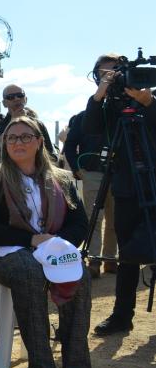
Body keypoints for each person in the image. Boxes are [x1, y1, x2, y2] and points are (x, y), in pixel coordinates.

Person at [0, 116, 91, 368]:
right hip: (4, 251)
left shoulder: (61, 178)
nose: (18, 142)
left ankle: (76, 365)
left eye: (26, 136)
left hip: (51, 247)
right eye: (12, 138)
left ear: (39, 141)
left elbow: (79, 223)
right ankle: (42, 366)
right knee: (29, 271)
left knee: (80, 273)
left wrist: (55, 243)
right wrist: (32, 239)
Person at [84, 54, 156, 335]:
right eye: (108, 75)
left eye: (118, 73)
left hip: (154, 181)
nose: (117, 79)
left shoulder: (147, 102)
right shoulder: (108, 108)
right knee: (127, 253)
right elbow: (90, 129)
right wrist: (99, 94)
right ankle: (122, 316)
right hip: (126, 186)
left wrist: (149, 104)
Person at [64, 87, 118, 278]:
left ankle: (110, 259)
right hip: (92, 172)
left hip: (119, 173)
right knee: (94, 217)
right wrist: (77, 169)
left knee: (115, 218)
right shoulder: (82, 117)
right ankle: (94, 259)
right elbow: (69, 145)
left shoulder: (121, 115)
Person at [0, 85, 58, 161]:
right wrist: (13, 121)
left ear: (25, 99)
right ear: (4, 103)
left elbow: (52, 156)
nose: (16, 99)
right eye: (11, 97)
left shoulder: (38, 124)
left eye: (20, 95)